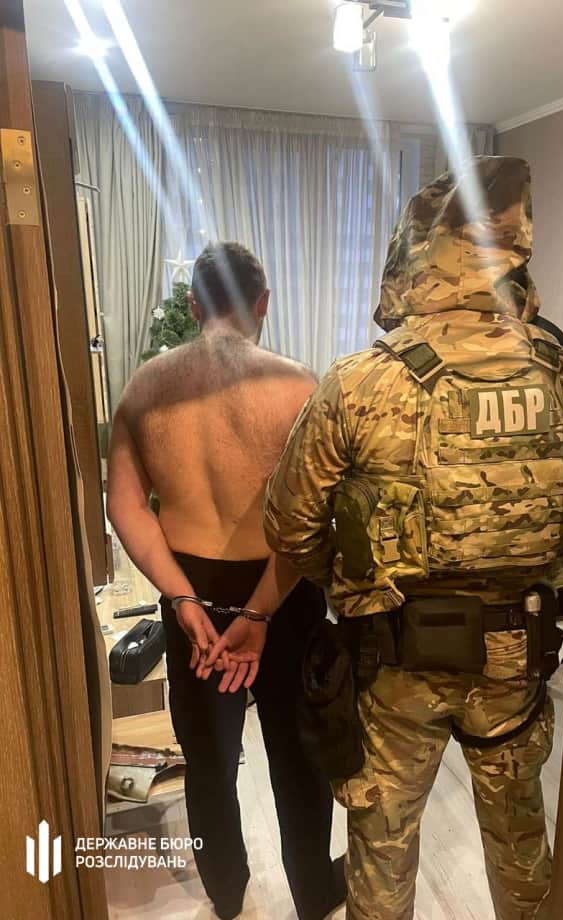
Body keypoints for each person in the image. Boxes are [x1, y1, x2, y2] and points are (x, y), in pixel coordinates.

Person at [261, 158, 563, 920]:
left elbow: (288, 526)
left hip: (395, 668)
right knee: (521, 846)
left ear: (416, 258)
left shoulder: (360, 383)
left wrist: (351, 578)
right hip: (516, 660)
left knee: (382, 856)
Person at [106, 241, 345, 920]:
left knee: (208, 758)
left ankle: (227, 890)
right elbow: (315, 517)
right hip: (282, 589)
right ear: (262, 303)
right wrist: (262, 611)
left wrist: (182, 599)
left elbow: (124, 505)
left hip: (194, 592)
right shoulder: (300, 386)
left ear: (193, 306)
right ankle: (313, 890)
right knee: (299, 754)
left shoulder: (145, 387)